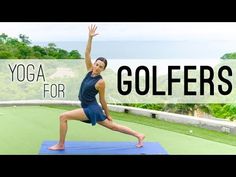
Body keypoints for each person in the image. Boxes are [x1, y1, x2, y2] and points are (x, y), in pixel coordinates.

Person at [48, 24, 145, 150]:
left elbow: (102, 100)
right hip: (89, 107)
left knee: (63, 117)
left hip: (91, 109)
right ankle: (139, 135)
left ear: (103, 69)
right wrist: (90, 37)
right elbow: (87, 52)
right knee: (113, 127)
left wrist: (108, 113)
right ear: (94, 64)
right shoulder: (89, 70)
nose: (97, 67)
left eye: (101, 66)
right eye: (97, 64)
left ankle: (61, 145)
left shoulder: (100, 82)